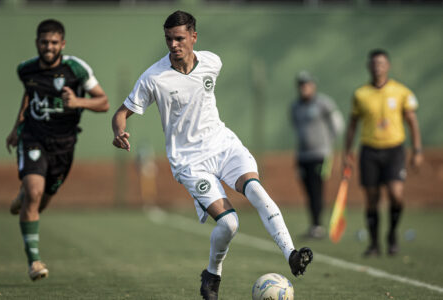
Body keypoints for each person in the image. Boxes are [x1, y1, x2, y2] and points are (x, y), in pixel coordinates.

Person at [111, 10, 313, 300]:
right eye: (169, 39)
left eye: (179, 38)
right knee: (230, 223)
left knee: (256, 190)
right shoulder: (153, 78)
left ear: (194, 37)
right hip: (189, 162)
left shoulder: (212, 62)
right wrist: (119, 132)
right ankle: (212, 274)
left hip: (223, 146)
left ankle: (291, 254)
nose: (173, 45)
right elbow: (121, 114)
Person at [5, 19, 109, 280]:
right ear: (37, 43)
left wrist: (77, 102)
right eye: (44, 42)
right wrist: (17, 127)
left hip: (64, 145)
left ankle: (25, 198)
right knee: (35, 191)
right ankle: (34, 261)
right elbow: (28, 95)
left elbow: (104, 102)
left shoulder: (76, 69)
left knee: (43, 199)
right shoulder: (25, 70)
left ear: (62, 44)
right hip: (33, 137)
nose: (48, 47)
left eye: (53, 42)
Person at [344, 49, 423, 256]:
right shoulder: (360, 94)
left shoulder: (401, 91)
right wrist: (347, 152)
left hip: (394, 150)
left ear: (387, 66)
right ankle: (374, 243)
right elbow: (352, 124)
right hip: (369, 150)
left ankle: (392, 235)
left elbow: (412, 122)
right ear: (368, 66)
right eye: (374, 63)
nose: (377, 66)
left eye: (381, 63)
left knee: (396, 195)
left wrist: (417, 150)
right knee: (372, 198)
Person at [290, 71, 344, 239]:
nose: (304, 87)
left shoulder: (324, 103)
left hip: (320, 154)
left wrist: (328, 144)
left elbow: (338, 124)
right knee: (307, 190)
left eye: (307, 84)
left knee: (316, 188)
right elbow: (296, 126)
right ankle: (314, 224)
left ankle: (318, 226)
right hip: (303, 155)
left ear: (313, 85)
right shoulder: (295, 106)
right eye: (301, 84)